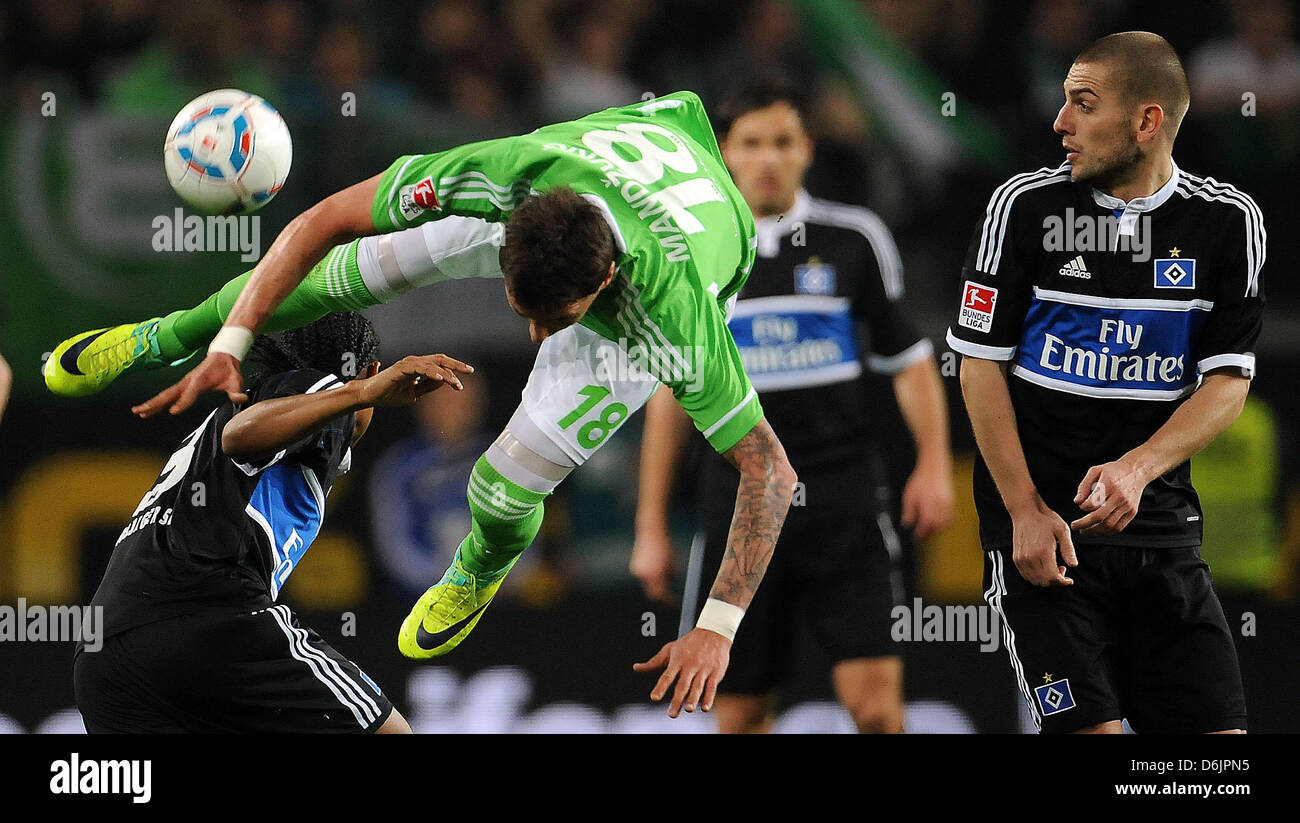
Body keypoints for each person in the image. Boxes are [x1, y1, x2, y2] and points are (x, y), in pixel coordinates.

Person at [46, 91, 798, 718]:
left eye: (552, 321)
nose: (533, 337)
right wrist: (229, 340)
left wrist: (717, 627)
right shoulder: (502, 176)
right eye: (521, 309)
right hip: (627, 156)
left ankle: (479, 564)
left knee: (500, 487)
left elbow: (771, 470)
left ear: (599, 289)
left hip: (685, 248)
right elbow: (321, 224)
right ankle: (160, 336)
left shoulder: (673, 322)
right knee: (330, 280)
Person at [946, 32, 1263, 734]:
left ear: (1147, 121)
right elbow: (979, 363)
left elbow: (1228, 382)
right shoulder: (1022, 208)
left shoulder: (1226, 223)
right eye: (1064, 102)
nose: (1060, 123)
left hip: (1162, 538)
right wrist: (1023, 511)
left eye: (1083, 105)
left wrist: (1137, 469)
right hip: (1046, 548)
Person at [631, 79, 953, 734]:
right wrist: (651, 525)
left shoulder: (853, 239)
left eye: (783, 142)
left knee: (876, 709)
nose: (769, 158)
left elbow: (910, 360)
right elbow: (670, 395)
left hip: (846, 501)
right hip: (740, 506)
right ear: (722, 155)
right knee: (742, 711)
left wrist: (934, 463)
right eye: (751, 144)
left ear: (806, 150)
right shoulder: (688, 255)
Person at [74, 313, 473, 732]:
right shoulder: (320, 388)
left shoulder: (225, 425)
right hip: (208, 617)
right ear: (371, 370)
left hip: (103, 657)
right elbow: (239, 437)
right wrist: (359, 392)